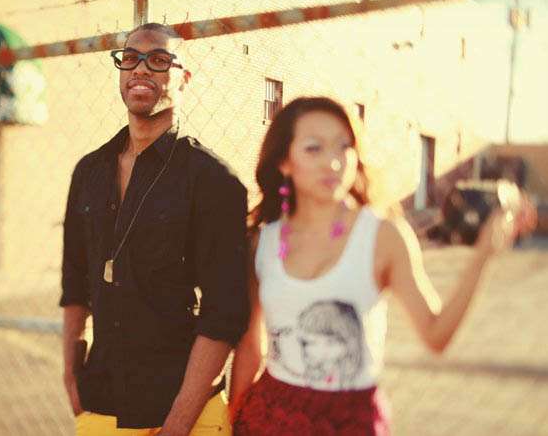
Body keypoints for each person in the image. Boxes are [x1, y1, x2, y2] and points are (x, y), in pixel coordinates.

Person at [228, 97, 536, 435]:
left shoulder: (383, 236)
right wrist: (234, 421)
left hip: (349, 420)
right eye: (314, 148)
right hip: (270, 414)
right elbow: (250, 346)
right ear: (284, 162)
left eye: (344, 146)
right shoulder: (263, 241)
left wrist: (482, 256)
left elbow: (436, 335)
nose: (333, 162)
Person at [60, 23, 249, 436]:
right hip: (101, 401)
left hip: (184, 409)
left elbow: (223, 313)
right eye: (130, 58)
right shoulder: (89, 171)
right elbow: (74, 280)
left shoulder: (214, 180)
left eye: (159, 60)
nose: (141, 69)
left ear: (184, 78)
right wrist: (69, 372)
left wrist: (178, 424)